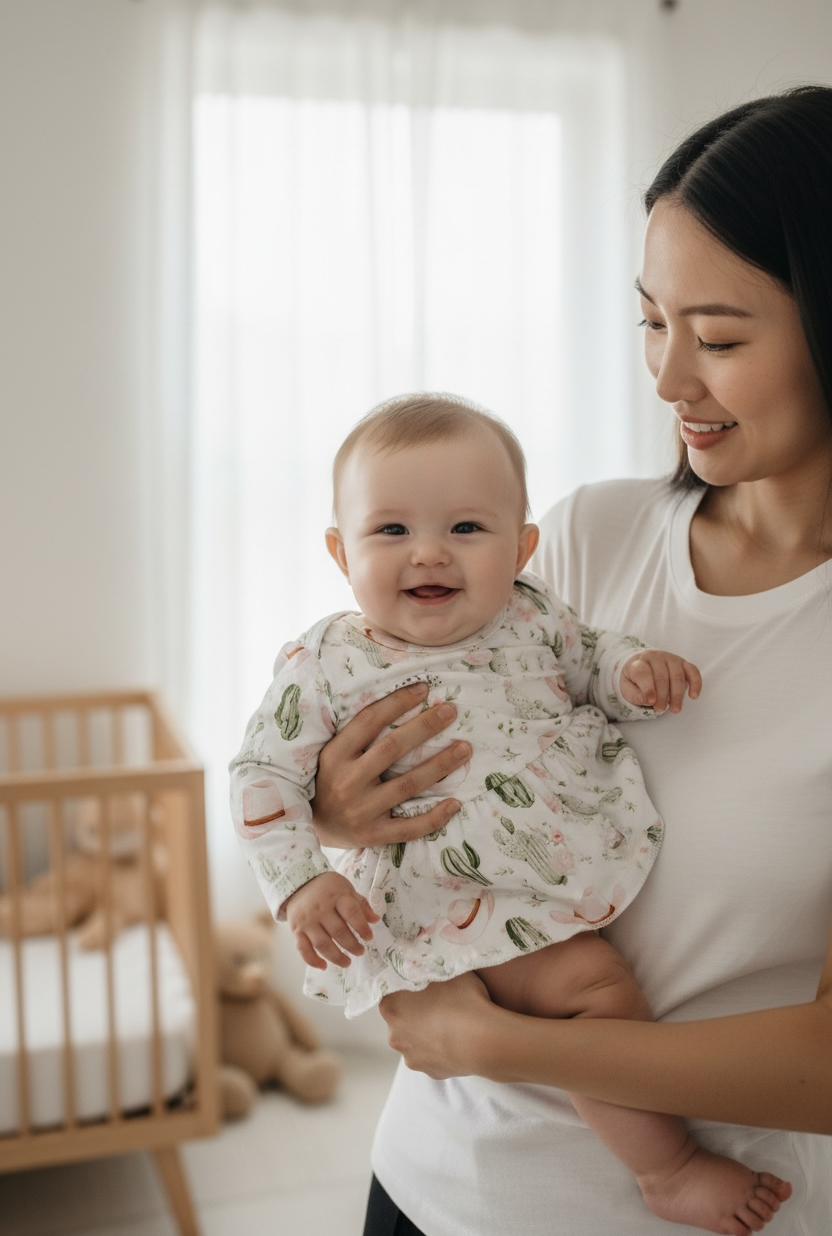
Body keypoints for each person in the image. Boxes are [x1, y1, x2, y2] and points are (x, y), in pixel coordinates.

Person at [306, 86, 832, 1236]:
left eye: (721, 336)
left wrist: (498, 1043)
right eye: (651, 322)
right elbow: (399, 748)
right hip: (427, 1185)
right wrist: (339, 808)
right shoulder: (589, 536)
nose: (667, 378)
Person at [230, 394, 789, 1234]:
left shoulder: (532, 616)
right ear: (340, 552)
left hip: (528, 897)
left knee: (597, 991)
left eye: (466, 529)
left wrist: (635, 672)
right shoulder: (326, 661)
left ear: (522, 547)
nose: (429, 553)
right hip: (421, 917)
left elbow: (593, 659)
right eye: (390, 532)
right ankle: (669, 1166)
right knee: (591, 991)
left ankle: (659, 1168)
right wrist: (301, 881)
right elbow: (261, 773)